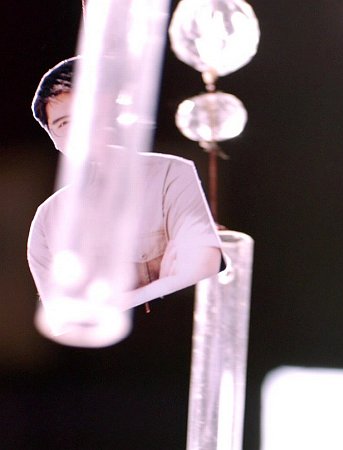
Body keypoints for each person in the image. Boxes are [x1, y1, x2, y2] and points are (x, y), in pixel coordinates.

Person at [28, 57, 222, 331]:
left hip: (184, 333)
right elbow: (64, 323)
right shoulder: (47, 220)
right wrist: (164, 283)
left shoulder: (173, 173)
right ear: (55, 140)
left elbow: (204, 270)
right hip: (103, 355)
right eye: (64, 124)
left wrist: (101, 307)